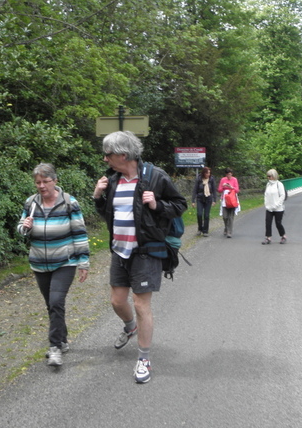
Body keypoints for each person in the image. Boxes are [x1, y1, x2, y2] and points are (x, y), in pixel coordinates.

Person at [93, 131, 187, 383]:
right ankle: (130, 327)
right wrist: (98, 197)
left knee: (141, 304)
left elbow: (180, 205)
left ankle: (144, 358)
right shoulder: (112, 181)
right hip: (119, 250)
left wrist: (157, 204)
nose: (105, 159)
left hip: (146, 251)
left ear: (123, 155)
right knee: (116, 301)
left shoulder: (155, 177)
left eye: (108, 154)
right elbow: (108, 216)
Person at [17, 163, 90, 367]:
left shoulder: (69, 203)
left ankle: (55, 347)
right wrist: (25, 227)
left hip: (64, 262)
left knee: (56, 301)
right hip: (39, 262)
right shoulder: (31, 203)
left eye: (45, 181)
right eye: (38, 182)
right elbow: (21, 229)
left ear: (55, 181)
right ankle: (63, 340)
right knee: (52, 305)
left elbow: (79, 233)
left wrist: (83, 262)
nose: (41, 186)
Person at [262, 168, 287, 245]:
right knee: (268, 222)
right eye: (267, 176)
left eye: (269, 176)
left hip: (278, 208)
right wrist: (266, 204)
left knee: (278, 223)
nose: (268, 177)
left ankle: (283, 236)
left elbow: (282, 195)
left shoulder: (279, 184)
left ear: (274, 176)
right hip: (269, 208)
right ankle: (268, 237)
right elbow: (266, 194)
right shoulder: (268, 184)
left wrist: (277, 204)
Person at [191, 166, 217, 237]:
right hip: (200, 199)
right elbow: (195, 190)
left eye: (209, 173)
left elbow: (214, 190)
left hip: (208, 199)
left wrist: (214, 200)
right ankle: (200, 229)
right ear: (204, 173)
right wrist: (193, 201)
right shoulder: (199, 179)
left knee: (206, 215)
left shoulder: (211, 179)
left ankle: (205, 231)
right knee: (199, 214)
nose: (208, 174)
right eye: (207, 173)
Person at [217, 168, 240, 238]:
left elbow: (237, 190)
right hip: (225, 199)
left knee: (231, 217)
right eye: (227, 174)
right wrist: (223, 187)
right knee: (225, 216)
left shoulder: (234, 179)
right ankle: (226, 227)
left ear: (231, 174)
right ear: (225, 174)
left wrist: (231, 187)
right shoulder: (223, 180)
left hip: (232, 198)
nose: (229, 176)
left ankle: (229, 232)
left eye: (230, 174)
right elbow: (219, 190)